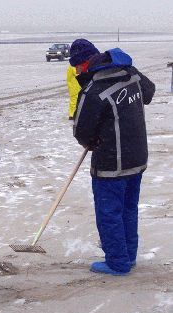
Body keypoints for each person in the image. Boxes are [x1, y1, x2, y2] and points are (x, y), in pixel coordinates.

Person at [71, 39, 155, 276]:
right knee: (128, 209)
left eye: (76, 66)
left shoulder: (95, 88)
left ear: (85, 63)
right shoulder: (129, 74)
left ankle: (118, 263)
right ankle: (128, 255)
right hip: (137, 158)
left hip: (111, 163)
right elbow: (148, 92)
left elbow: (82, 131)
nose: (76, 71)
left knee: (110, 213)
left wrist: (92, 141)